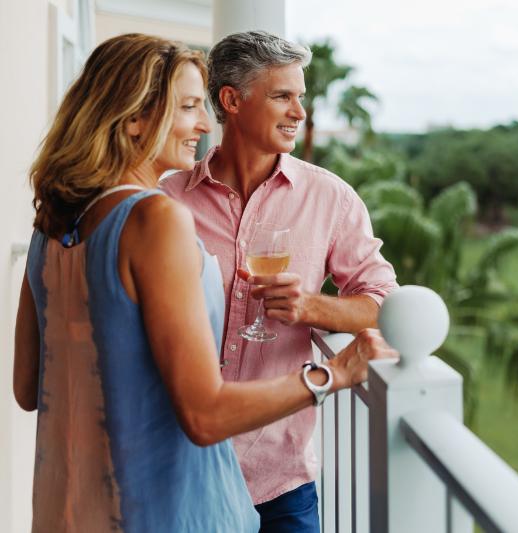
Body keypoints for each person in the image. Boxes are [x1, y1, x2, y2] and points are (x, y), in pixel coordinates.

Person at [13, 33, 395, 533]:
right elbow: (203, 415)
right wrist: (335, 374)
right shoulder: (158, 215)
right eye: (189, 106)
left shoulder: (53, 220)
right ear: (133, 118)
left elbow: (28, 386)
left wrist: (311, 309)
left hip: (68, 505)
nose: (202, 122)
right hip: (166, 505)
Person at [159, 31, 398, 532]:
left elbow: (384, 305)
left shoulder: (329, 199)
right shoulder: (168, 201)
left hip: (279, 486)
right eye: (282, 96)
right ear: (232, 101)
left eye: (301, 98)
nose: (299, 112)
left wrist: (311, 307)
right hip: (181, 472)